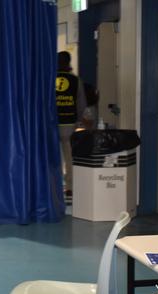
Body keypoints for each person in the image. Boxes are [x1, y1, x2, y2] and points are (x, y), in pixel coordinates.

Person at [55, 51, 87, 197]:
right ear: (69, 63)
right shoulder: (75, 80)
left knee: (52, 157)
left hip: (51, 124)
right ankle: (70, 187)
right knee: (69, 157)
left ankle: (51, 185)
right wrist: (78, 120)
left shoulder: (48, 79)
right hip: (69, 124)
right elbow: (81, 104)